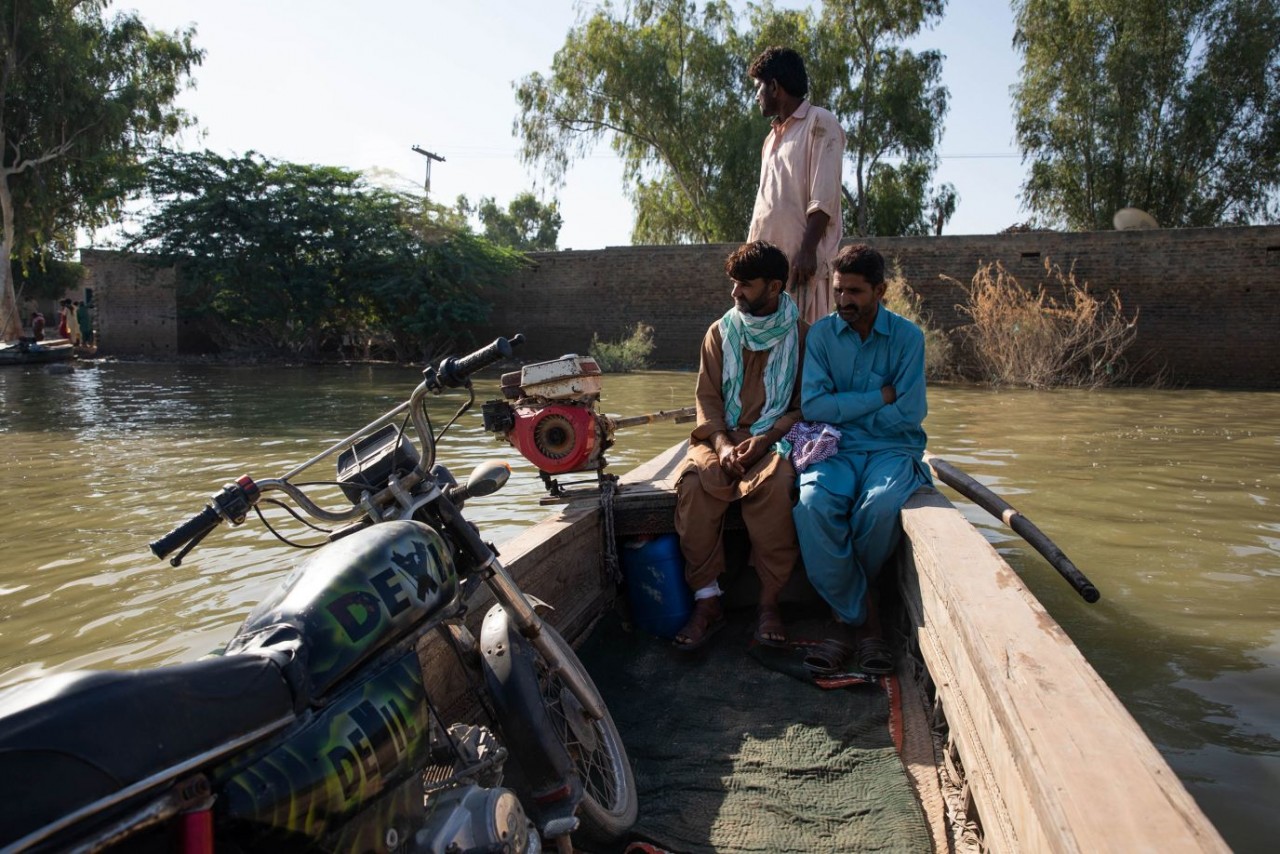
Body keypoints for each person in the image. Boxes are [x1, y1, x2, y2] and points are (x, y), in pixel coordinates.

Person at [791, 244, 931, 675]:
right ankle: (864, 617)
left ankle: (842, 617)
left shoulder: (908, 338)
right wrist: (877, 397)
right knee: (813, 506)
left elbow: (908, 412)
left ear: (880, 290)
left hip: (893, 448)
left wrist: (847, 405)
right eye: (838, 291)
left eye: (854, 291)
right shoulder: (820, 336)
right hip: (835, 446)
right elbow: (814, 407)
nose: (844, 301)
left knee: (882, 505)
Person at [673, 240, 809, 651]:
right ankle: (707, 600)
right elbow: (707, 402)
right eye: (733, 284)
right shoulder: (719, 333)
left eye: (744, 285)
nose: (735, 293)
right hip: (719, 439)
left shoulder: (804, 336)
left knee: (775, 484)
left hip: (775, 440)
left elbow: (803, 407)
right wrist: (722, 444)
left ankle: (769, 603)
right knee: (695, 484)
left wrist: (764, 440)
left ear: (774, 286)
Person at [746, 46, 846, 328]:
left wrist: (807, 251)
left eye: (759, 88)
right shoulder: (770, 140)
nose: (756, 96)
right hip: (766, 273)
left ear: (775, 86)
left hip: (802, 269)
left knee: (803, 354)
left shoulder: (820, 122)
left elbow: (824, 194)